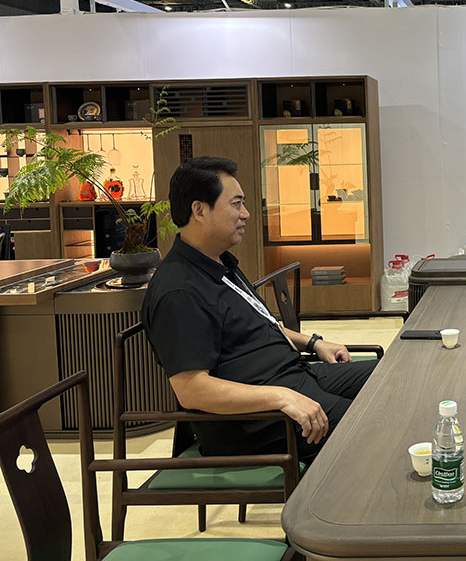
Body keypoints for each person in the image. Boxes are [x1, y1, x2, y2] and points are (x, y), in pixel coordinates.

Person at [141, 156, 377, 461]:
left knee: (389, 379)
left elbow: (258, 324)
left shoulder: (220, 263)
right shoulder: (179, 291)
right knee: (374, 423)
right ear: (199, 210)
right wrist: (282, 397)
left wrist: (313, 343)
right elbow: (191, 390)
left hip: (293, 375)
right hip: (253, 422)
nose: (246, 214)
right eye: (236, 204)